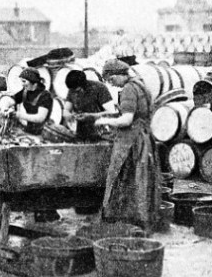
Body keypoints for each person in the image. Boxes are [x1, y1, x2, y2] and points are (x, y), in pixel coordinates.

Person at [94, 59, 160, 231]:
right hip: (144, 136)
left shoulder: (129, 89)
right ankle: (142, 218)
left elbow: (127, 119)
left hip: (131, 140)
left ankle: (125, 220)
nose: (112, 84)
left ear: (118, 75)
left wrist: (104, 120)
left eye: (112, 80)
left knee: (124, 176)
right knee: (141, 178)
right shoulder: (140, 85)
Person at [62, 70, 117, 141]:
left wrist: (91, 116)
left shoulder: (99, 88)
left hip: (102, 132)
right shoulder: (72, 89)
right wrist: (69, 115)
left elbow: (111, 112)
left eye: (77, 91)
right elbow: (66, 109)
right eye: (73, 90)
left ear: (83, 85)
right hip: (82, 132)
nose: (75, 93)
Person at [0, 67, 53, 135]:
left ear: (34, 82)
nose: (22, 84)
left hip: (45, 132)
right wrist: (5, 106)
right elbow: (12, 100)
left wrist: (18, 115)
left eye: (24, 81)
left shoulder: (45, 96)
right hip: (30, 129)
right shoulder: (25, 92)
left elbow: (40, 118)